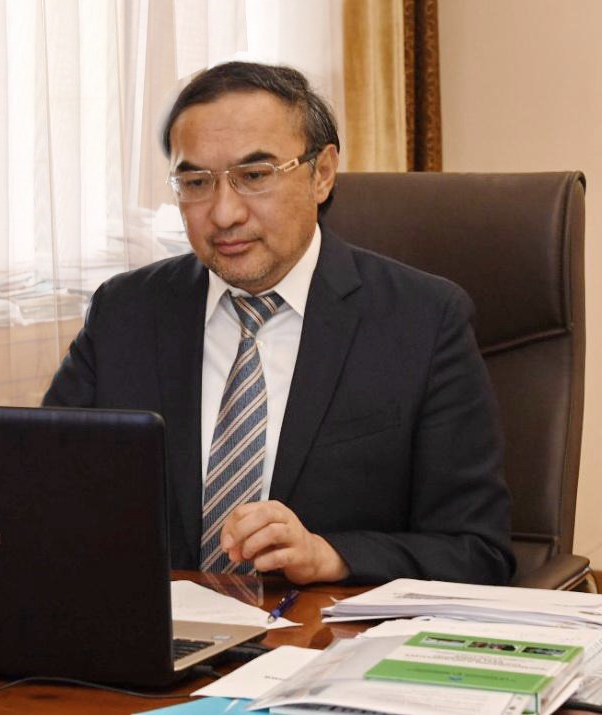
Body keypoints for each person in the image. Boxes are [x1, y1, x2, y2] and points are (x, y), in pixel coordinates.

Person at [44, 61, 514, 586]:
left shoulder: (424, 320)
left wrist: (329, 556)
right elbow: (40, 493)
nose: (224, 214)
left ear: (322, 173)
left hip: (327, 628)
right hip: (158, 625)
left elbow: (477, 551)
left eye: (254, 176)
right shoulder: (125, 312)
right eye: (196, 182)